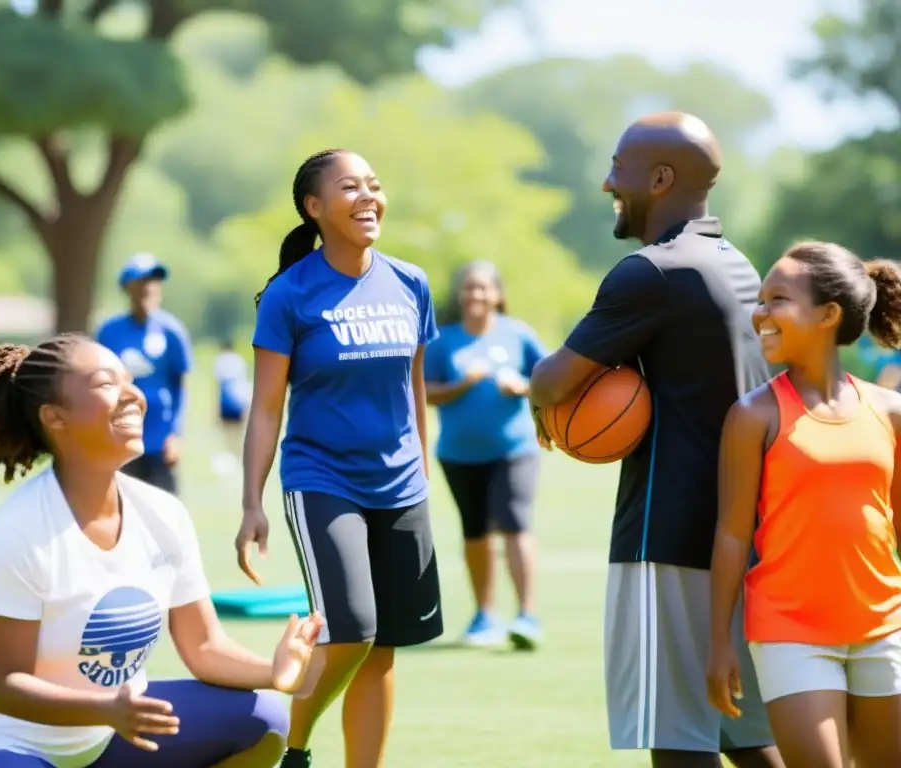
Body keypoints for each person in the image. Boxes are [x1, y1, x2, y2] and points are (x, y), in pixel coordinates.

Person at [528, 112, 782, 768]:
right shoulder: (735, 263)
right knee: (744, 735)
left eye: (618, 168)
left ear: (660, 178)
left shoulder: (653, 271)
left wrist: (540, 399)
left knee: (677, 738)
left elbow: (554, 381)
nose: (608, 183)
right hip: (738, 530)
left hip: (666, 535)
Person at [0, 333, 323, 768]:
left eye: (131, 380)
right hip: (12, 745)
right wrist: (103, 709)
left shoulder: (163, 514)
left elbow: (203, 646)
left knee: (263, 721)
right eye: (108, 383)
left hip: (112, 733)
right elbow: (4, 686)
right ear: (55, 417)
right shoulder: (17, 534)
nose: (135, 396)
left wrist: (276, 672)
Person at [236, 149, 443, 768]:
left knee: (383, 650)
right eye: (349, 187)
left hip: (402, 484)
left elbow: (415, 389)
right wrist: (252, 503)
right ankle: (292, 745)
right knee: (354, 629)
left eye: (374, 186)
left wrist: (422, 472)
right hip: (322, 481)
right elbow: (266, 409)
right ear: (314, 207)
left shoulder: (411, 283)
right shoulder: (288, 296)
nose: (367, 197)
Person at [708, 243, 901, 768]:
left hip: (883, 627)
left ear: (828, 315)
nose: (760, 313)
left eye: (777, 299)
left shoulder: (889, 411)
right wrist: (720, 644)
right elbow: (731, 534)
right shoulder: (752, 415)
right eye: (760, 300)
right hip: (789, 633)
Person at [424, 260, 544, 649]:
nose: (475, 295)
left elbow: (552, 379)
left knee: (514, 523)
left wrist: (523, 387)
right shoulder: (443, 341)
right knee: (475, 532)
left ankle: (526, 617)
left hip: (514, 450)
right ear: (460, 296)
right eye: (468, 288)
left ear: (498, 295)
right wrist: (462, 384)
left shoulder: (518, 335)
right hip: (459, 455)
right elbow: (423, 393)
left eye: (483, 288)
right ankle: (484, 616)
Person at [96, 253, 192, 495]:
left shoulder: (172, 331)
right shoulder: (109, 332)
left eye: (154, 281)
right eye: (142, 281)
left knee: (166, 512)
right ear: (128, 287)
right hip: (122, 438)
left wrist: (175, 434)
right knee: (123, 510)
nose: (149, 287)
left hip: (160, 441)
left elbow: (180, 386)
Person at [213, 340, 251, 468]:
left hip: (226, 402)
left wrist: (215, 410)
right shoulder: (239, 361)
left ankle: (233, 461)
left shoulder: (220, 361)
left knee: (228, 435)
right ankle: (241, 462)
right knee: (240, 435)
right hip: (240, 401)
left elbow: (219, 386)